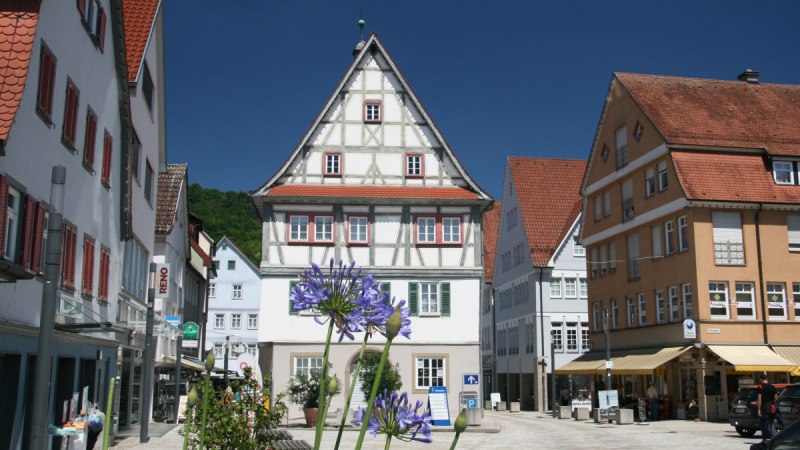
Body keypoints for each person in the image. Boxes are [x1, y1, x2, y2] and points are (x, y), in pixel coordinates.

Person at [757, 373, 777, 441]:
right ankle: (774, 438)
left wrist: (759, 409)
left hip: (764, 406)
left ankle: (764, 438)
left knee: (763, 423)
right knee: (771, 422)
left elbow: (759, 398)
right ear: (767, 379)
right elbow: (776, 398)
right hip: (771, 406)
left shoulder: (760, 387)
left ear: (761, 379)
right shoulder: (772, 386)